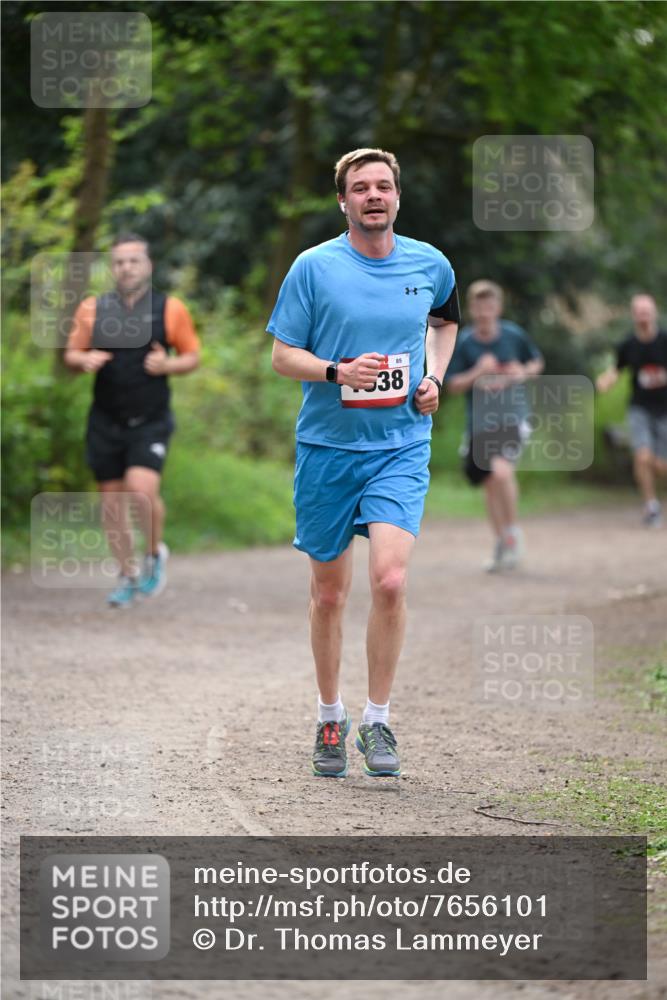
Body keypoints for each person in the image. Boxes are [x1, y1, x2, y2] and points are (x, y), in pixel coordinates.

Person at [268, 148, 459, 779]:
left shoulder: (430, 263)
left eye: (383, 186)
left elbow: (444, 323)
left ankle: (378, 720)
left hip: (400, 448)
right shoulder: (314, 268)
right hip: (327, 449)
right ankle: (330, 715)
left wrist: (434, 377)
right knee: (329, 594)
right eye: (360, 188)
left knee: (391, 581)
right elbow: (281, 356)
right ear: (344, 201)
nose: (373, 195)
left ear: (397, 197)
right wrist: (335, 371)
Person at [64, 233, 200, 606]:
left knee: (141, 492)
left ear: (148, 266)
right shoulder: (93, 309)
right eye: (120, 262)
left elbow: (192, 356)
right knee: (112, 503)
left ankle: (154, 553)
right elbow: (71, 355)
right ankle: (126, 576)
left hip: (150, 417)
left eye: (134, 261)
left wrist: (166, 364)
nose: (127, 267)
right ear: (113, 267)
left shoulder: (170, 308)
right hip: (106, 418)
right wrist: (84, 360)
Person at [445, 280, 544, 572]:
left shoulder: (513, 335)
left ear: (498, 308)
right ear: (472, 309)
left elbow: (537, 363)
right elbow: (452, 385)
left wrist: (522, 371)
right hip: (480, 422)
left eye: (490, 305)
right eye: (478, 305)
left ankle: (513, 533)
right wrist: (478, 371)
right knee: (488, 483)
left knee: (501, 470)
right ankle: (502, 542)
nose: (484, 311)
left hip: (513, 417)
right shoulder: (465, 342)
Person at [596, 294, 667, 527]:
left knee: (660, 464)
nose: (643, 316)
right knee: (642, 456)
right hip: (640, 408)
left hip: (665, 409)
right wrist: (606, 380)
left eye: (647, 311)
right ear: (633, 315)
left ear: (654, 312)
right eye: (639, 311)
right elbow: (616, 369)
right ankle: (651, 506)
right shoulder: (628, 345)